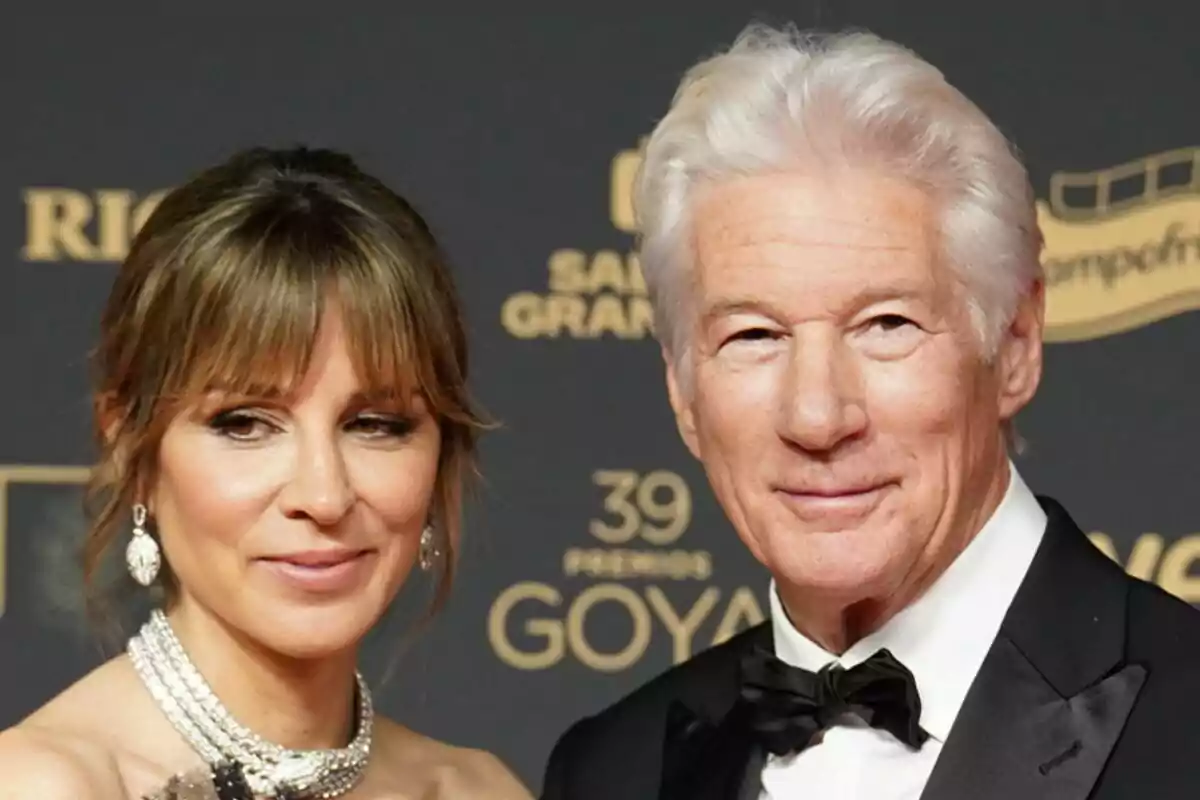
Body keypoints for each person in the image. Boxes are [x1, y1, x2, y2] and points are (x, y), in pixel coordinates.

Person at [539, 22, 1200, 800]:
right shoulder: (612, 772)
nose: (818, 417)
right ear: (684, 391)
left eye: (886, 325)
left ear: (1015, 345)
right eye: (754, 335)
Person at [0, 146, 532, 800]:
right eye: (245, 424)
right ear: (130, 452)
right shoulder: (44, 785)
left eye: (376, 424)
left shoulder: (477, 792)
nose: (323, 494)